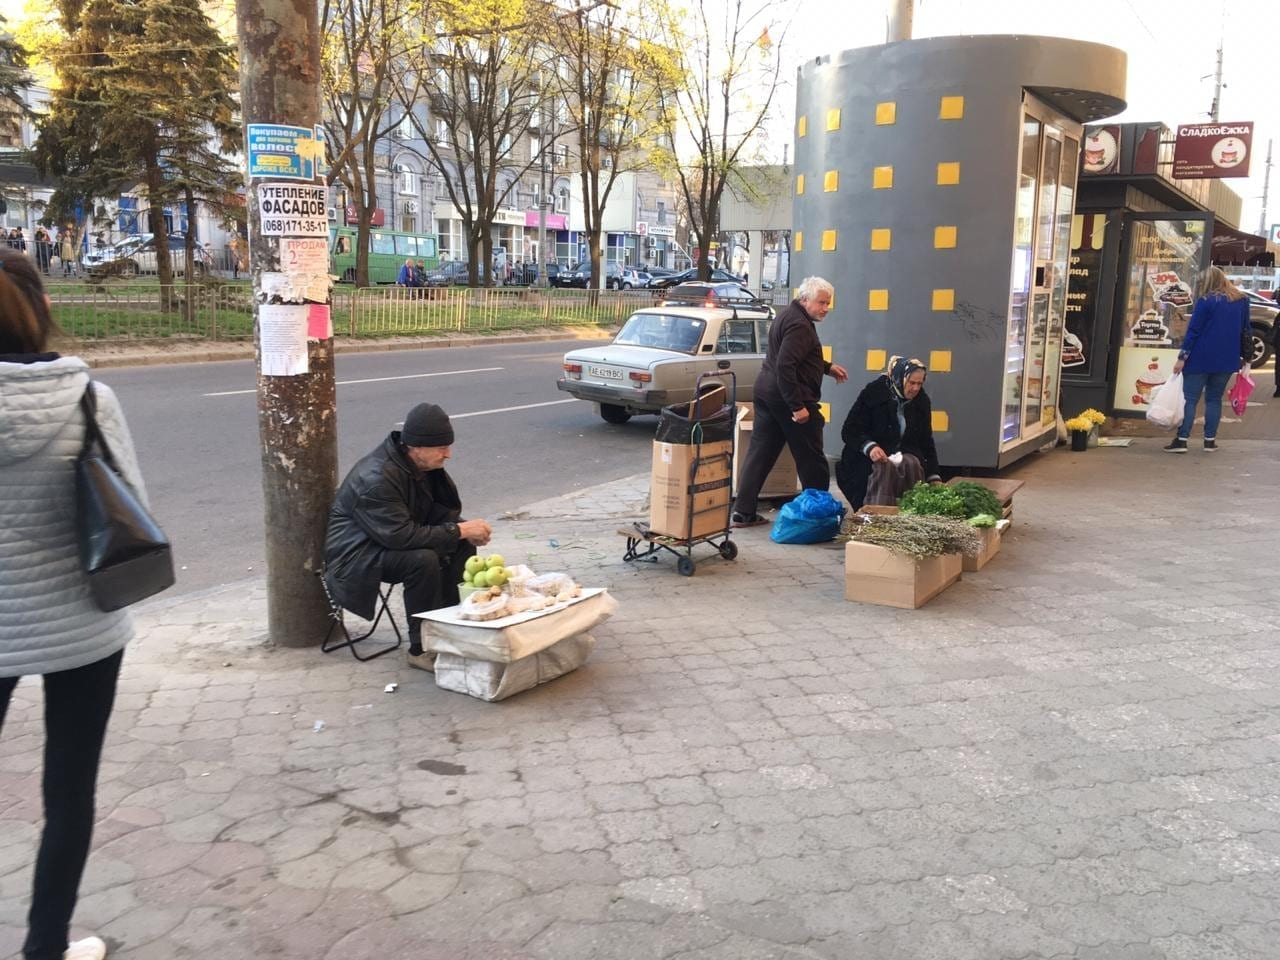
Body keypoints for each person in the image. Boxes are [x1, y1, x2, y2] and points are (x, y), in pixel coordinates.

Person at [0, 248, 148, 960]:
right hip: (82, 625)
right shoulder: (89, 399)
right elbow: (133, 510)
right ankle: (44, 947)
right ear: (40, 306)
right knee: (69, 793)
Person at [324, 403, 493, 671]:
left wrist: (464, 530)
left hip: (386, 542)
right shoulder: (376, 478)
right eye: (441, 448)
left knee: (460, 546)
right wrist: (460, 530)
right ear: (416, 447)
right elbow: (399, 536)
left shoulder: (420, 467)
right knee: (422, 560)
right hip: (356, 556)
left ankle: (449, 627)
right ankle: (420, 648)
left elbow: (434, 513)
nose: (448, 454)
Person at [730, 275, 847, 526]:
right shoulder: (800, 326)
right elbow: (786, 365)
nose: (827, 308)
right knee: (812, 459)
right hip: (789, 398)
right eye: (822, 303)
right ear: (805, 300)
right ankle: (819, 516)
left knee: (760, 453)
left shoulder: (788, 314)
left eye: (828, 303)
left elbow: (795, 357)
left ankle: (743, 511)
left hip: (767, 392)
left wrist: (827, 368)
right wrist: (798, 407)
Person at [836, 356, 942, 509]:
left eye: (920, 383)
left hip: (902, 457)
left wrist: (934, 476)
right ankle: (877, 518)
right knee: (883, 469)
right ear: (899, 378)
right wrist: (870, 447)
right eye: (912, 383)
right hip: (864, 459)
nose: (916, 388)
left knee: (912, 464)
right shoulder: (874, 393)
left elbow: (926, 441)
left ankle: (908, 517)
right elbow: (850, 430)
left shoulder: (921, 401)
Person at [1164, 266, 1251, 453]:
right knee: (1214, 399)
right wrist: (1246, 358)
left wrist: (1182, 357)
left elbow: (1193, 331)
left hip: (1199, 358)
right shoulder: (1242, 301)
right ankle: (1209, 441)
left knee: (1190, 399)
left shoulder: (1206, 301)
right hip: (1227, 359)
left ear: (1207, 283)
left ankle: (1182, 440)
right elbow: (1246, 331)